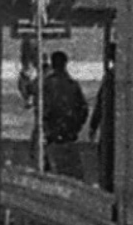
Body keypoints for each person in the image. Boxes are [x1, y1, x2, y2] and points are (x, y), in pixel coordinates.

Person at [40, 50, 89, 174]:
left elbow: (43, 108)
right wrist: (76, 126)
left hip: (53, 134)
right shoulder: (72, 85)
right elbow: (83, 109)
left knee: (51, 170)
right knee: (71, 170)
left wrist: (47, 127)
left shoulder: (47, 84)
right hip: (69, 133)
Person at [88, 43, 116, 193]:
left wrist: (93, 126)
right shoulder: (115, 76)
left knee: (107, 161)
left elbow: (100, 103)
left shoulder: (110, 77)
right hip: (116, 127)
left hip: (109, 128)